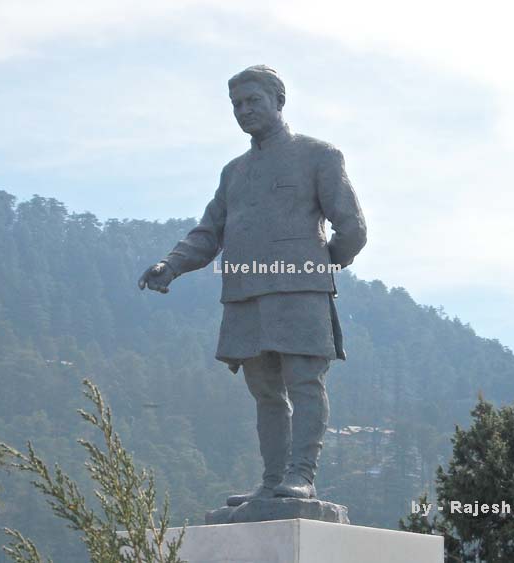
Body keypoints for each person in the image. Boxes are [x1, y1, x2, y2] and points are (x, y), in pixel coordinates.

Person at [138, 65, 366, 504]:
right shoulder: (234, 172)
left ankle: (301, 475)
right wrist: (171, 265)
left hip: (300, 292)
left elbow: (352, 226)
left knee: (304, 381)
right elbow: (209, 232)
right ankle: (273, 481)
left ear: (278, 101)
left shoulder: (319, 155)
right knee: (265, 392)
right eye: (236, 105)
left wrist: (322, 267)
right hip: (245, 296)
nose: (244, 111)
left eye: (252, 101)